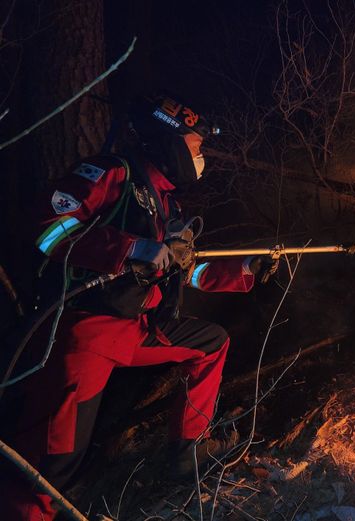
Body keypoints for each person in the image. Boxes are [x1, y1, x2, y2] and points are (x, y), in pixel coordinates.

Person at [0, 94, 274, 520]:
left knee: (211, 343)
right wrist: (130, 248)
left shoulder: (167, 205)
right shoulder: (112, 174)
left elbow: (184, 273)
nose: (202, 156)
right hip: (86, 332)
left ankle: (186, 452)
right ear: (170, 142)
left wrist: (245, 270)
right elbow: (46, 230)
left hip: (137, 328)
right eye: (197, 145)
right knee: (52, 462)